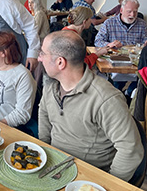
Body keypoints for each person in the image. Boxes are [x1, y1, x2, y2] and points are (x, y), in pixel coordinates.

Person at [38, 30, 143, 182]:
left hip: (87, 176)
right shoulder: (52, 86)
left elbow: (131, 149)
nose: (39, 58)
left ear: (60, 62)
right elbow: (44, 114)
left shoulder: (105, 99)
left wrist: (108, 183)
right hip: (54, 166)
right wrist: (44, 151)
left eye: (43, 53)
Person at [95, 0, 147, 97]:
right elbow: (97, 41)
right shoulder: (109, 23)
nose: (132, 15)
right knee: (115, 87)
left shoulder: (142, 24)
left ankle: (130, 94)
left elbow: (145, 41)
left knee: (141, 82)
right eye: (129, 11)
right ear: (121, 10)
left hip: (135, 62)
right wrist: (109, 45)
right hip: (116, 63)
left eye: (135, 12)